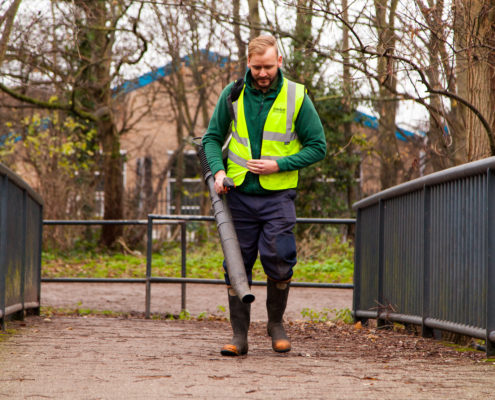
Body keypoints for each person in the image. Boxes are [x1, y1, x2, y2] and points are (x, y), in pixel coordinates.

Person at [202, 34, 326, 356]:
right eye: (256, 67)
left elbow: (318, 147)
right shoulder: (232, 95)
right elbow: (211, 139)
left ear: (279, 61)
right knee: (236, 265)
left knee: (280, 257)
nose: (262, 73)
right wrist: (218, 171)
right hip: (239, 194)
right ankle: (239, 336)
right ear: (248, 63)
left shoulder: (297, 96)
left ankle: (276, 325)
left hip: (278, 195)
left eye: (268, 66)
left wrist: (280, 164)